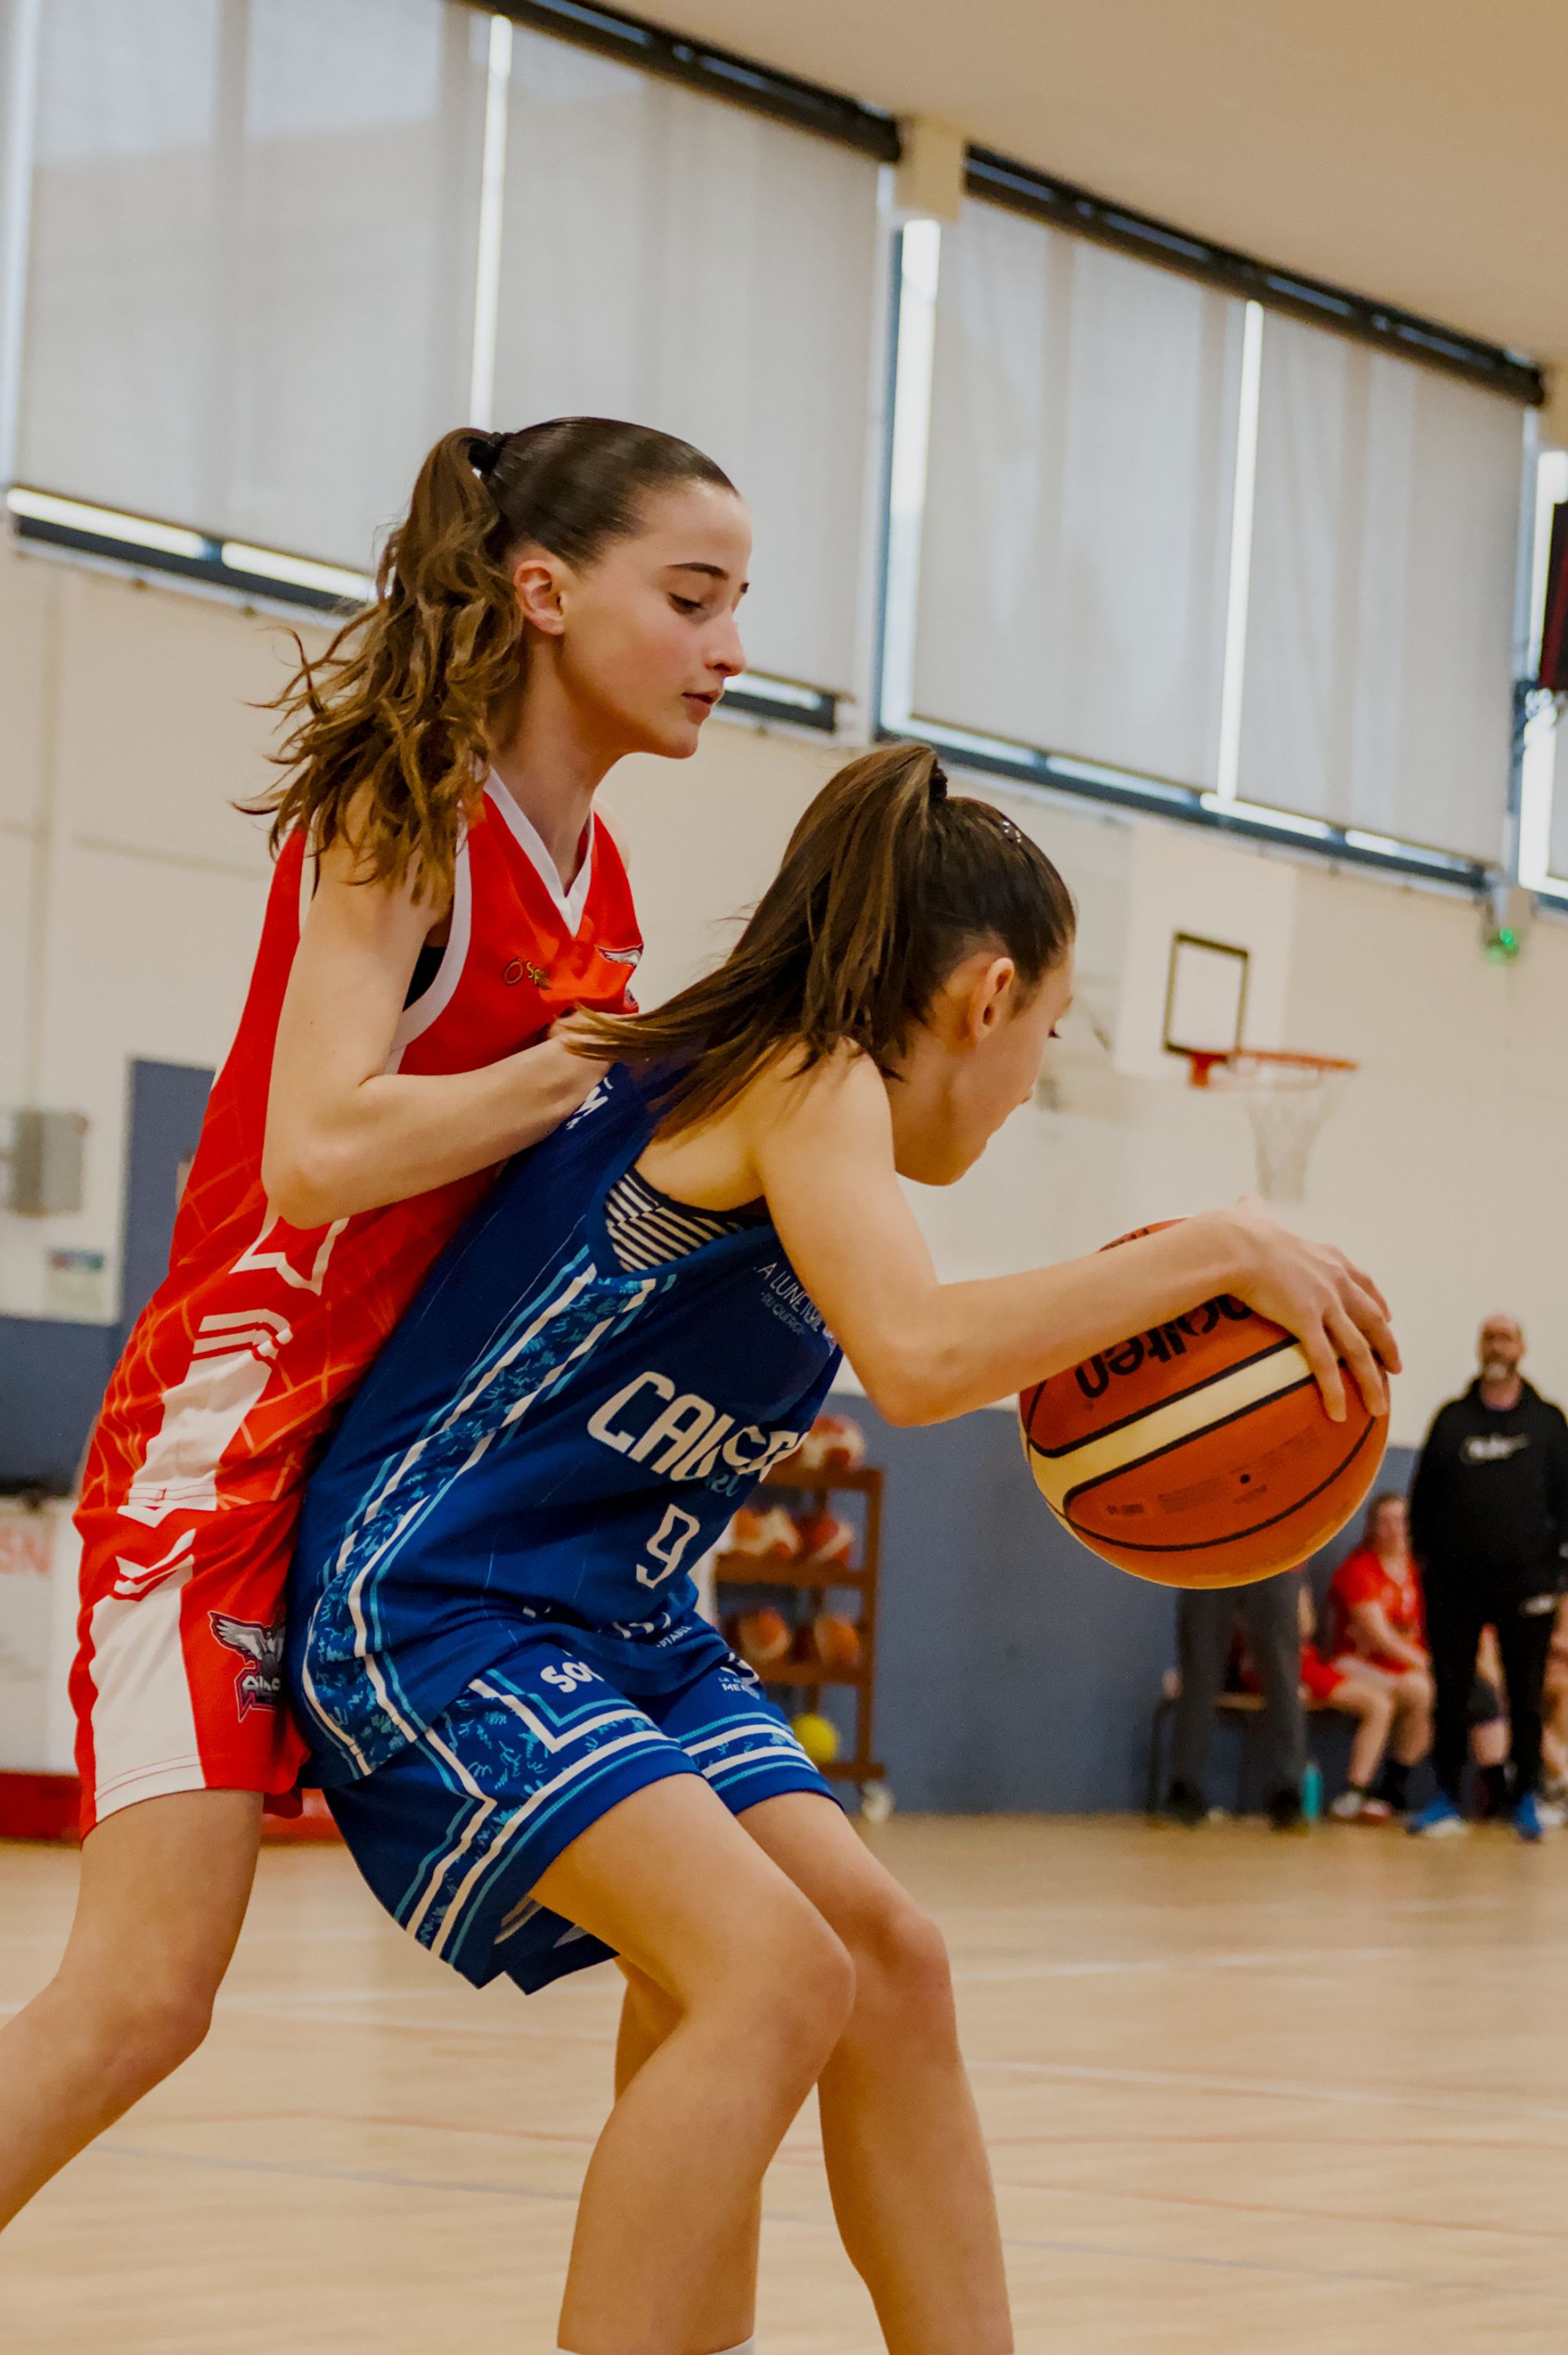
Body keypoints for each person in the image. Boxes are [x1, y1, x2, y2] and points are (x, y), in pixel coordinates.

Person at [288, 742, 1397, 2355]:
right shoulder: (803, 1073)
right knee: (773, 1972)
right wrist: (1216, 1245)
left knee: (887, 1957)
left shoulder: (808, 1102)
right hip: (436, 1599)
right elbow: (922, 1356)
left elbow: (922, 1335)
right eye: (1047, 1038)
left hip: (617, 1621)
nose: (1028, 1082)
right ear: (987, 995)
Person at [0, 417, 750, 2230]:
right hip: (223, 1450)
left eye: (738, 604)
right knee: (140, 1998)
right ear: (544, 591)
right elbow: (318, 1149)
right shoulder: (404, 811)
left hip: (388, 1484)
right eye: (691, 597)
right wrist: (581, 1069)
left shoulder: (600, 882)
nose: (728, 647)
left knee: (729, 1931)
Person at [1406, 1315, 1568, 1843]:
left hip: (1527, 1584)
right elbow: (1423, 1499)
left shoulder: (1547, 1422)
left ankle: (1527, 1798)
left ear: (1522, 1348)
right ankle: (1445, 1798)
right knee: (1452, 1694)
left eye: (1506, 1338)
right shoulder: (1452, 1419)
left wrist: (1555, 1572)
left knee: (1526, 1696)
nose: (1497, 1346)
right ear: (1480, 1347)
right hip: (1454, 1585)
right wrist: (1427, 1563)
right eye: (1489, 1337)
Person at [1321, 1492, 1433, 1818]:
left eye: (1401, 1521)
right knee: (1401, 1694)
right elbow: (1381, 1638)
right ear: (1372, 1528)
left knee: (1428, 1693)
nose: (1395, 1529)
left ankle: (1394, 1785)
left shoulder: (1417, 1570)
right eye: (1385, 1522)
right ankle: (1356, 1791)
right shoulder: (1360, 1569)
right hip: (1352, 1662)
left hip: (1403, 1667)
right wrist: (1431, 1664)